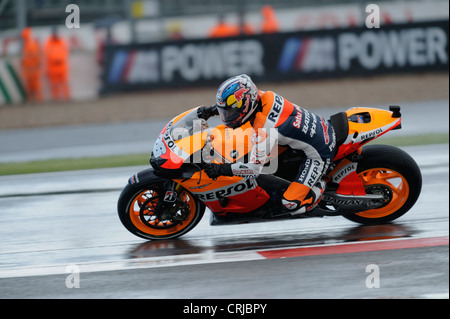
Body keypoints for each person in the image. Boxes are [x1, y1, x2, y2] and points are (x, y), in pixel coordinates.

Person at [202, 74, 336, 215]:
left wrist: (222, 169)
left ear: (246, 105)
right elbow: (239, 103)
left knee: (291, 204)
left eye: (230, 112)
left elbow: (253, 169)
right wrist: (212, 110)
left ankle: (321, 184)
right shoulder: (264, 96)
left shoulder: (264, 126)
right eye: (225, 112)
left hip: (320, 152)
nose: (227, 116)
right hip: (318, 128)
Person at [44, 27, 70, 101]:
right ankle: (56, 98)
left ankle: (67, 97)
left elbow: (66, 51)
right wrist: (54, 59)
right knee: (54, 84)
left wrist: (59, 59)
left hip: (61, 66)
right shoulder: (48, 42)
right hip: (53, 67)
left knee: (64, 83)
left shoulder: (62, 41)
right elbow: (47, 53)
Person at [21, 27, 43, 102]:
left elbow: (36, 57)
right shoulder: (27, 44)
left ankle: (38, 100)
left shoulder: (31, 44)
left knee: (35, 86)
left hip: (33, 69)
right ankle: (33, 100)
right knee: (30, 87)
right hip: (29, 70)